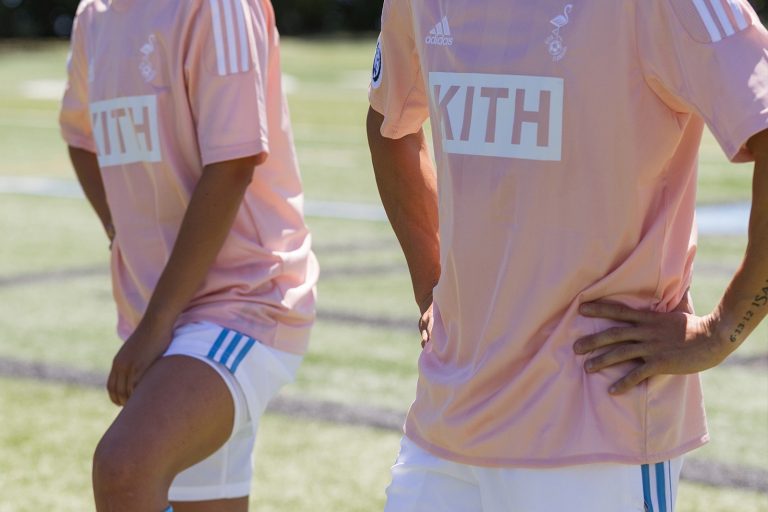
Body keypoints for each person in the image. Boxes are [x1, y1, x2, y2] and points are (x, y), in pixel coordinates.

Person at [367, 0, 768, 510]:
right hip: (446, 420)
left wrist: (723, 330)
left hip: (599, 431)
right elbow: (389, 125)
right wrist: (432, 285)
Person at [59, 0, 317, 510]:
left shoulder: (218, 6)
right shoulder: (95, 15)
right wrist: (118, 230)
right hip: (164, 317)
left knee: (125, 466)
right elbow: (80, 135)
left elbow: (234, 163)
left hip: (245, 301)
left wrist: (157, 323)